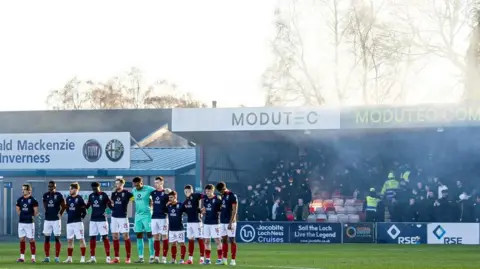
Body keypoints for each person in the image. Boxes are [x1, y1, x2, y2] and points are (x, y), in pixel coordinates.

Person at [85, 182, 112, 263]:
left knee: (105, 237)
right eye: (93, 189)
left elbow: (109, 205)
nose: (94, 190)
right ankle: (93, 258)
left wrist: (112, 209)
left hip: (102, 220)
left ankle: (108, 257)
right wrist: (81, 208)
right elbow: (87, 206)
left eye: (95, 189)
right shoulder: (91, 196)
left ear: (99, 187)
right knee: (92, 237)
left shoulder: (104, 195)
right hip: (93, 219)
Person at [131, 176, 155, 263]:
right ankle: (141, 257)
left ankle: (152, 256)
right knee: (139, 235)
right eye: (135, 185)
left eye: (138, 185)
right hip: (138, 215)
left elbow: (157, 194)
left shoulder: (149, 189)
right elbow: (133, 199)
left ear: (142, 183)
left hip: (147, 215)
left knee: (150, 235)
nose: (136, 186)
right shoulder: (133, 190)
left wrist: (152, 204)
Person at [109, 178, 133, 264]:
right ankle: (116, 258)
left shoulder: (127, 193)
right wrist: (111, 208)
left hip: (123, 217)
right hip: (114, 217)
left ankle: (128, 258)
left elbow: (135, 199)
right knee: (115, 236)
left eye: (118, 183)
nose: (117, 185)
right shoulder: (114, 193)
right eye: (116, 183)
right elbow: (111, 203)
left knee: (126, 236)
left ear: (122, 184)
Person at [41, 181, 65, 263]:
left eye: (52, 186)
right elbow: (45, 205)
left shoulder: (59, 195)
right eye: (49, 186)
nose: (50, 188)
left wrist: (60, 214)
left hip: (56, 220)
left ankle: (57, 257)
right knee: (46, 238)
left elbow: (64, 206)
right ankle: (47, 257)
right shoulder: (45, 195)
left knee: (57, 238)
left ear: (55, 187)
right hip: (47, 219)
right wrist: (47, 211)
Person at [63, 182, 87, 263]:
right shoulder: (68, 198)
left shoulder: (80, 198)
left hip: (78, 222)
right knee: (70, 240)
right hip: (69, 222)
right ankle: (69, 258)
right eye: (69, 189)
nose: (70, 190)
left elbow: (84, 211)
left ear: (76, 189)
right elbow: (67, 209)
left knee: (81, 239)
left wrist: (81, 217)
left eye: (71, 189)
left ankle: (83, 258)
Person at [216, 182, 238, 266]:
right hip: (222, 221)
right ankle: (224, 260)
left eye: (220, 191)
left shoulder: (233, 196)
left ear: (224, 188)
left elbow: (234, 211)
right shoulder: (223, 196)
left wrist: (230, 222)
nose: (220, 192)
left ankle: (233, 260)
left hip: (230, 222)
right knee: (224, 240)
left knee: (232, 240)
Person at [16, 184, 39, 263]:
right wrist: (23, 216)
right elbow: (18, 210)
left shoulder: (33, 200)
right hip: (21, 223)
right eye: (22, 189)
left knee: (31, 240)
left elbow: (36, 212)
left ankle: (33, 258)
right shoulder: (19, 200)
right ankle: (22, 258)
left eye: (24, 189)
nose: (23, 191)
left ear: (29, 190)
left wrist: (30, 216)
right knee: (22, 239)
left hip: (29, 223)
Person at [183, 184, 205, 264]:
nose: (186, 192)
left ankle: (202, 258)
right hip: (189, 222)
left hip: (197, 222)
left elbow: (205, 197)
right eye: (185, 191)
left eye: (187, 191)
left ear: (191, 191)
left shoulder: (195, 195)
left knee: (200, 239)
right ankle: (190, 259)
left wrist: (204, 208)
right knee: (190, 240)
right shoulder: (186, 200)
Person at [201, 184, 223, 265]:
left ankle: (220, 259)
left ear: (212, 191)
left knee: (217, 240)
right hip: (206, 223)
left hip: (215, 223)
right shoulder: (206, 199)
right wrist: (202, 211)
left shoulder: (217, 199)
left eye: (209, 191)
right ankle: (207, 259)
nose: (207, 192)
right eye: (206, 191)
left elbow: (221, 209)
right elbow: (205, 209)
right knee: (206, 241)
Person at [150, 176, 170, 264]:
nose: (156, 184)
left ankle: (164, 258)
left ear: (162, 183)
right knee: (156, 237)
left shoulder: (166, 192)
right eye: (155, 183)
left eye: (157, 182)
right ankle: (157, 257)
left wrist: (171, 194)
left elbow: (174, 200)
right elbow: (150, 202)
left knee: (165, 237)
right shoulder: (153, 193)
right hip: (154, 217)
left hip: (163, 217)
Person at [166, 191, 187, 264]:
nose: (170, 199)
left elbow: (187, 212)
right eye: (169, 198)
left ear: (175, 197)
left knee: (182, 244)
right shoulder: (168, 206)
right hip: (172, 229)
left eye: (171, 197)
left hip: (179, 228)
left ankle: (182, 259)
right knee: (173, 244)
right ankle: (173, 259)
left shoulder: (181, 205)